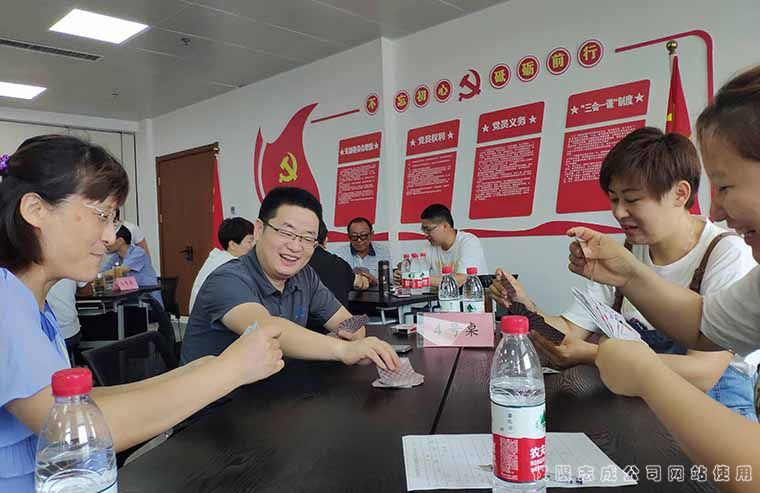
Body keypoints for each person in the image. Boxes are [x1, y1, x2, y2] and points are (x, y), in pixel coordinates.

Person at [0, 135, 284, 491]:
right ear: (35, 210)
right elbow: (77, 430)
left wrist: (200, 370)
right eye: (102, 215)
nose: (109, 236)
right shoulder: (5, 303)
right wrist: (231, 370)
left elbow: (76, 404)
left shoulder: (31, 304)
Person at [568, 65, 760, 490]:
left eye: (725, 187)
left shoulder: (724, 251)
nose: (715, 211)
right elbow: (705, 326)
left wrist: (644, 372)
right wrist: (628, 273)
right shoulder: (630, 253)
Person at [489, 127, 759, 419]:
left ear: (680, 194)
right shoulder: (626, 254)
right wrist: (525, 309)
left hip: (717, 414)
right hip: (648, 411)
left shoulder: (725, 252)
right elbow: (567, 335)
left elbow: (703, 373)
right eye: (614, 199)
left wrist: (594, 354)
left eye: (631, 199)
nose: (619, 212)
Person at [181, 186, 399, 371]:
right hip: (218, 403)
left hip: (276, 393)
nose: (296, 247)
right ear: (259, 230)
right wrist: (343, 349)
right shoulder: (226, 279)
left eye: (307, 238)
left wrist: (350, 338)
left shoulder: (304, 276)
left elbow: (351, 323)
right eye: (286, 233)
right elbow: (266, 331)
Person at [395, 204, 488, 287]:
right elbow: (417, 270)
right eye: (423, 230)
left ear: (445, 226)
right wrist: (403, 273)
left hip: (469, 298)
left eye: (428, 229)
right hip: (443, 298)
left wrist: (419, 279)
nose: (425, 234)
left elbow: (461, 279)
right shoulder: (430, 246)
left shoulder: (469, 242)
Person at [307, 220, 369, 332]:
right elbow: (361, 283)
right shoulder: (339, 263)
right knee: (363, 322)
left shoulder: (297, 265)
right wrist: (365, 278)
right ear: (325, 241)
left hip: (305, 332)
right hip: (339, 332)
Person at [189, 217, 255, 312]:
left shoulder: (218, 258)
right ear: (232, 245)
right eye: (249, 241)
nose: (252, 246)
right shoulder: (228, 266)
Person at [102, 225, 163, 306]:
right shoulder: (115, 257)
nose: (105, 244)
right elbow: (102, 272)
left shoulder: (138, 253)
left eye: (107, 241)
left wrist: (98, 276)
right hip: (130, 300)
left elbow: (120, 270)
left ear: (120, 241)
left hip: (148, 303)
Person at [333, 217, 390, 285]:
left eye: (363, 236)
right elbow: (335, 281)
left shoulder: (383, 252)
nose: (359, 240)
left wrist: (375, 281)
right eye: (354, 236)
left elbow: (389, 281)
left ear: (371, 234)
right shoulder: (340, 254)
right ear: (349, 237)